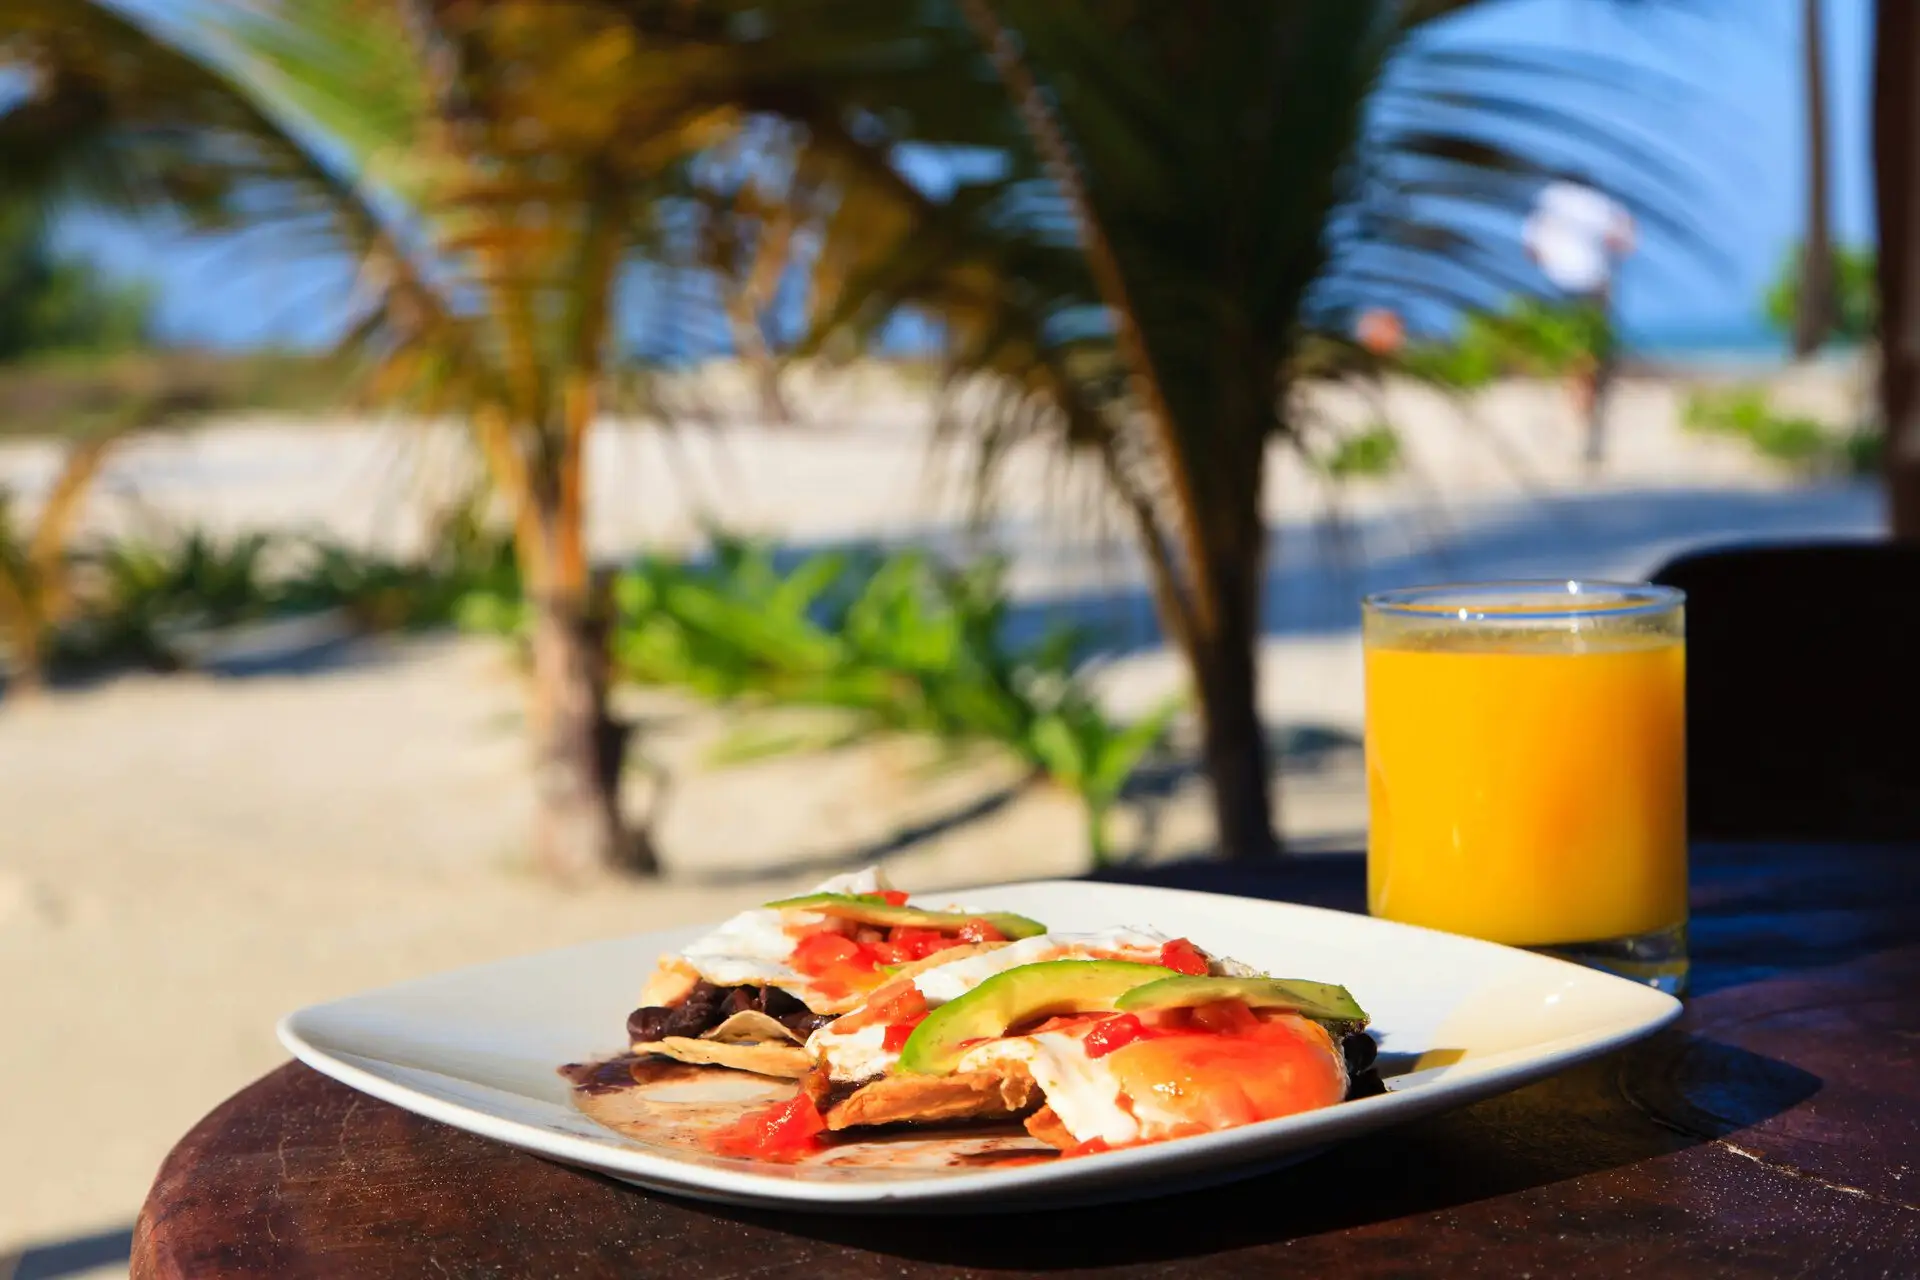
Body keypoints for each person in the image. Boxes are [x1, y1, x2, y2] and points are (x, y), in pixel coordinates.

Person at [1522, 181, 1637, 471]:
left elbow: (1531, 249)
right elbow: (1624, 239)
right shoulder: (1599, 201)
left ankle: (1574, 407)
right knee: (1593, 359)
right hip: (1596, 285)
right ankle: (1585, 416)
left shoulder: (1550, 199)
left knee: (1568, 357)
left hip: (1558, 286)